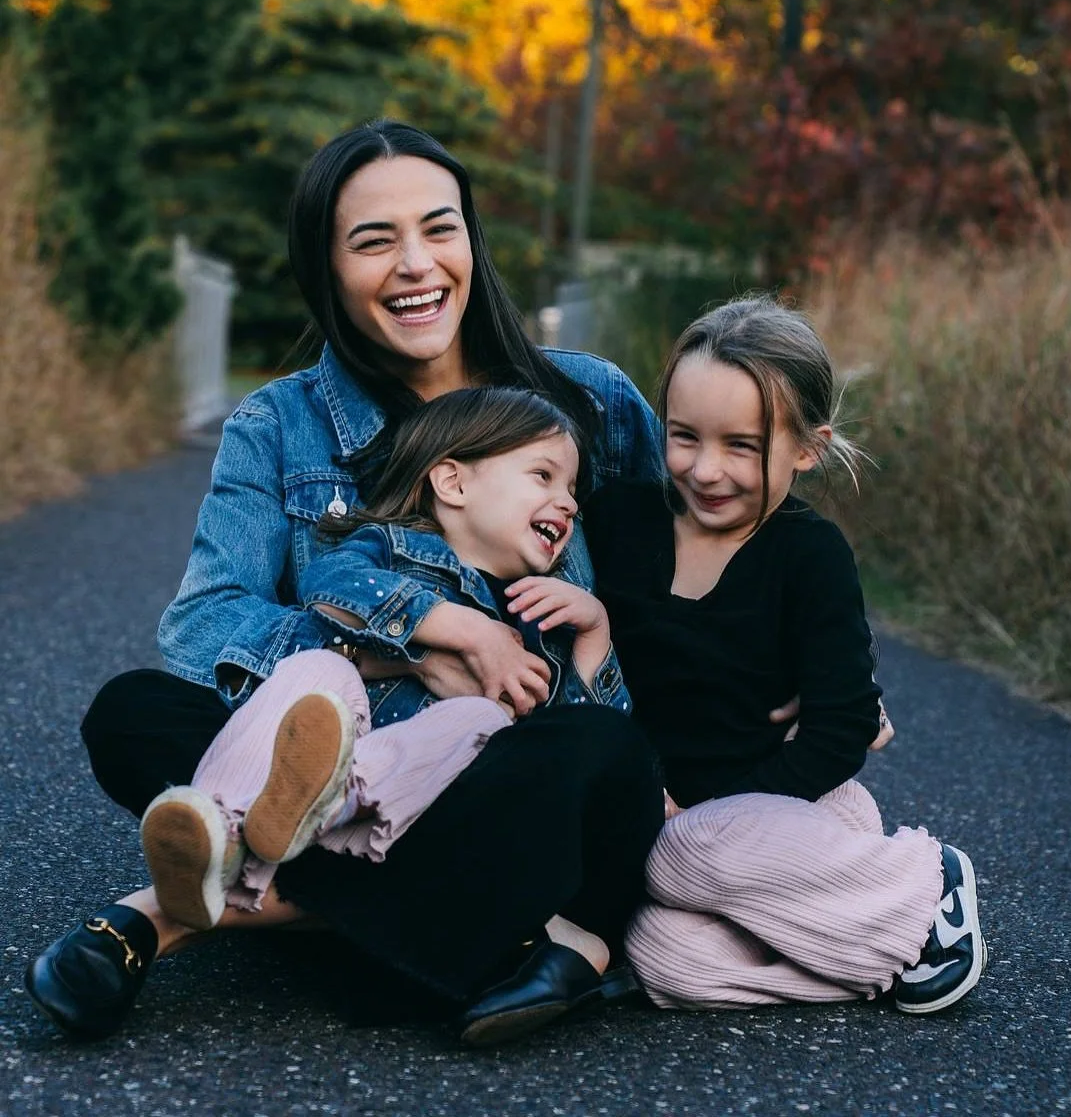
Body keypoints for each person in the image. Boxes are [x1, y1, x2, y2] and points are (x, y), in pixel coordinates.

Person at [26, 120, 665, 1045]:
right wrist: (410, 651)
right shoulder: (277, 426)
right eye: (374, 241)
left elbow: (670, 592)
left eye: (439, 230)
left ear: (471, 244)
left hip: (515, 763)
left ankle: (165, 918)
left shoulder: (591, 400)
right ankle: (471, 933)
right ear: (326, 270)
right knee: (133, 713)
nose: (417, 265)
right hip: (348, 759)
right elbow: (206, 624)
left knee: (597, 757)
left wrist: (808, 681)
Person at [572, 297, 987, 1015]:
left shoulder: (810, 556)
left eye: (742, 445)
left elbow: (841, 726)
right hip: (738, 857)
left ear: (807, 448)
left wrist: (691, 810)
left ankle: (927, 880)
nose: (705, 470)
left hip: (795, 811)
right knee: (664, 958)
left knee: (680, 856)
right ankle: (880, 955)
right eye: (684, 438)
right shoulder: (621, 524)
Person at [138, 388, 629, 971]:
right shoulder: (400, 548)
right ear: (453, 484)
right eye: (543, 476)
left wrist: (594, 635)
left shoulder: (543, 615)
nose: (567, 503)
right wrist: (465, 631)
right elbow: (330, 582)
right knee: (313, 669)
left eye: (572, 490)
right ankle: (215, 827)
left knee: (479, 717)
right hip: (337, 736)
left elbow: (585, 735)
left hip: (411, 802)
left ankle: (322, 807)